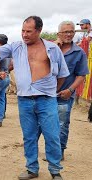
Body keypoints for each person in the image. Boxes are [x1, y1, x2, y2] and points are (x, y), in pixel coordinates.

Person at [0, 16, 69, 180]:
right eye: (23, 31)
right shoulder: (16, 47)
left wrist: (50, 90)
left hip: (46, 100)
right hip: (25, 100)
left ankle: (55, 171)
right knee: (29, 136)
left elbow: (61, 75)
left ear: (39, 31)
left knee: (52, 135)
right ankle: (32, 168)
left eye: (29, 31)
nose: (25, 35)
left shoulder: (52, 49)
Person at [54, 21, 89, 160]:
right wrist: (54, 47)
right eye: (65, 32)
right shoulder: (50, 48)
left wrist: (70, 90)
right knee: (43, 124)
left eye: (71, 32)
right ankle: (50, 149)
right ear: (58, 34)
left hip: (65, 96)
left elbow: (81, 75)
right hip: (46, 95)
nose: (69, 34)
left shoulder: (79, 52)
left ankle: (59, 151)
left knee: (62, 124)